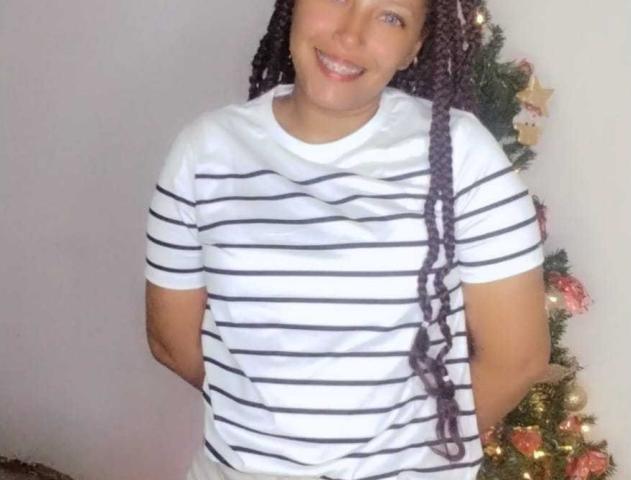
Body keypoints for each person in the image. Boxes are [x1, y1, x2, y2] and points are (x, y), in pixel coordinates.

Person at [144, 0, 551, 479]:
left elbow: (517, 359)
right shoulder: (205, 150)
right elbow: (172, 342)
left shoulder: (461, 153)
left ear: (414, 47)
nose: (350, 34)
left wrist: (401, 463)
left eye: (391, 16)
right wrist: (271, 429)